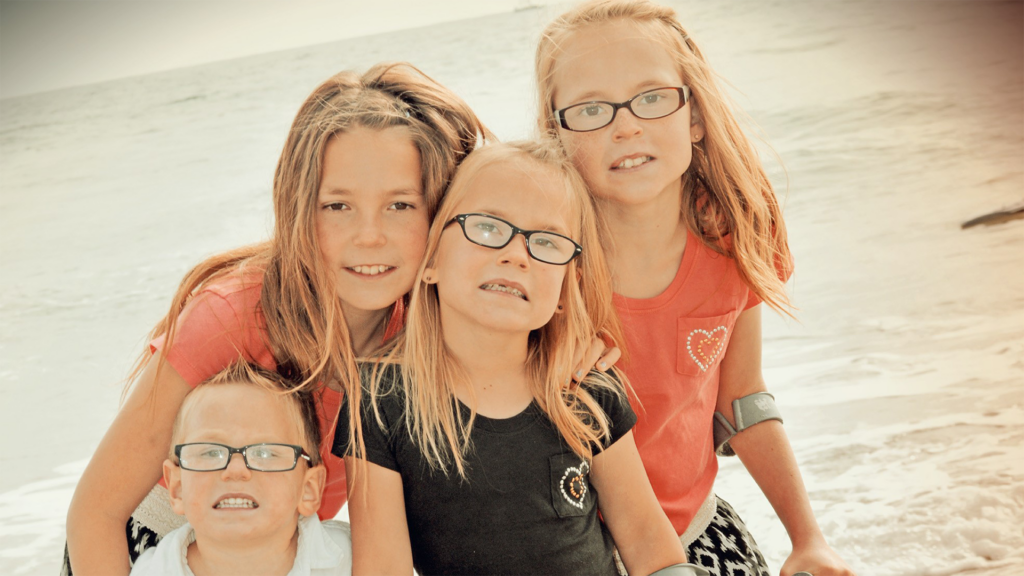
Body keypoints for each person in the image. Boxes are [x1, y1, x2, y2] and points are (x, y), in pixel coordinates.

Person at [65, 62, 486, 576]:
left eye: (400, 204)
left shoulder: (429, 333)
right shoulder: (232, 316)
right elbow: (95, 512)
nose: (369, 235)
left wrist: (568, 349)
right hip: (153, 544)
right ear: (297, 208)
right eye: (337, 206)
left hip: (283, 551)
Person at [535, 1, 855, 575]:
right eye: (590, 109)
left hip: (697, 533)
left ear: (695, 115)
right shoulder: (539, 263)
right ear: (555, 132)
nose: (625, 125)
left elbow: (744, 400)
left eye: (652, 97)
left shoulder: (735, 234)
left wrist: (808, 538)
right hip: (570, 558)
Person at [335, 140, 707, 576]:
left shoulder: (586, 391)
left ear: (567, 287)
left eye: (547, 242)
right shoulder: (379, 405)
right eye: (489, 227)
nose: (515, 255)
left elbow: (651, 546)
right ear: (431, 258)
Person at [129, 362, 352, 576]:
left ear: (309, 488)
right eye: (211, 452)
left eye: (265, 453)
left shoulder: (351, 561)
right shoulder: (152, 571)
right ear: (177, 488)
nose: (236, 470)